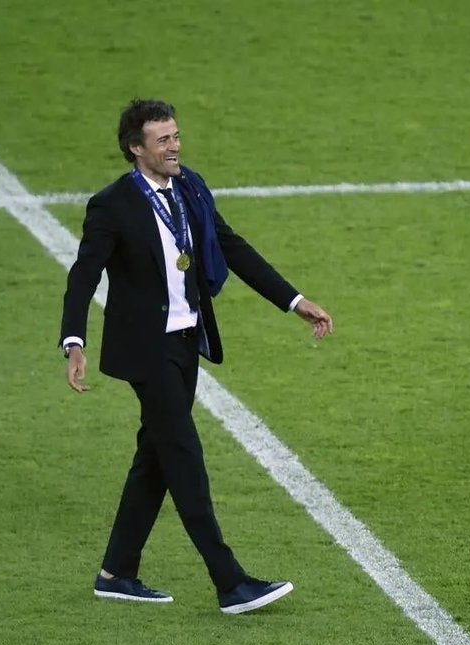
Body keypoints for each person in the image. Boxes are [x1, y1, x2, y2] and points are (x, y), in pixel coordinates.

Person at [58, 98, 334, 615]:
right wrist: (74, 339)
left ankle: (116, 571)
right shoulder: (112, 204)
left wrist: (295, 301)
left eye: (176, 136)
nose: (175, 146)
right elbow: (84, 274)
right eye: (163, 140)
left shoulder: (190, 186)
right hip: (146, 349)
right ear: (136, 149)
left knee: (156, 455)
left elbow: (230, 245)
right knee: (183, 455)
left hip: (187, 341)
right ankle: (230, 582)